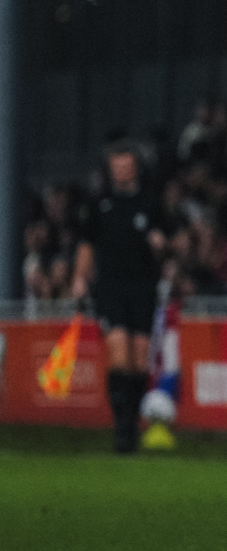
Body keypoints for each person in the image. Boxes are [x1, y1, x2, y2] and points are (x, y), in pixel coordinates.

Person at [72, 145, 167, 453]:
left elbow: (170, 241)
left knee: (139, 360)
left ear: (135, 168)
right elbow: (87, 244)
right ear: (110, 169)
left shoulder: (150, 204)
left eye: (127, 166)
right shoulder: (101, 205)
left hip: (143, 288)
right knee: (120, 355)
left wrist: (161, 243)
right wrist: (79, 277)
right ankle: (122, 431)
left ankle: (132, 424)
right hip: (110, 288)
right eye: (117, 166)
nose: (122, 171)